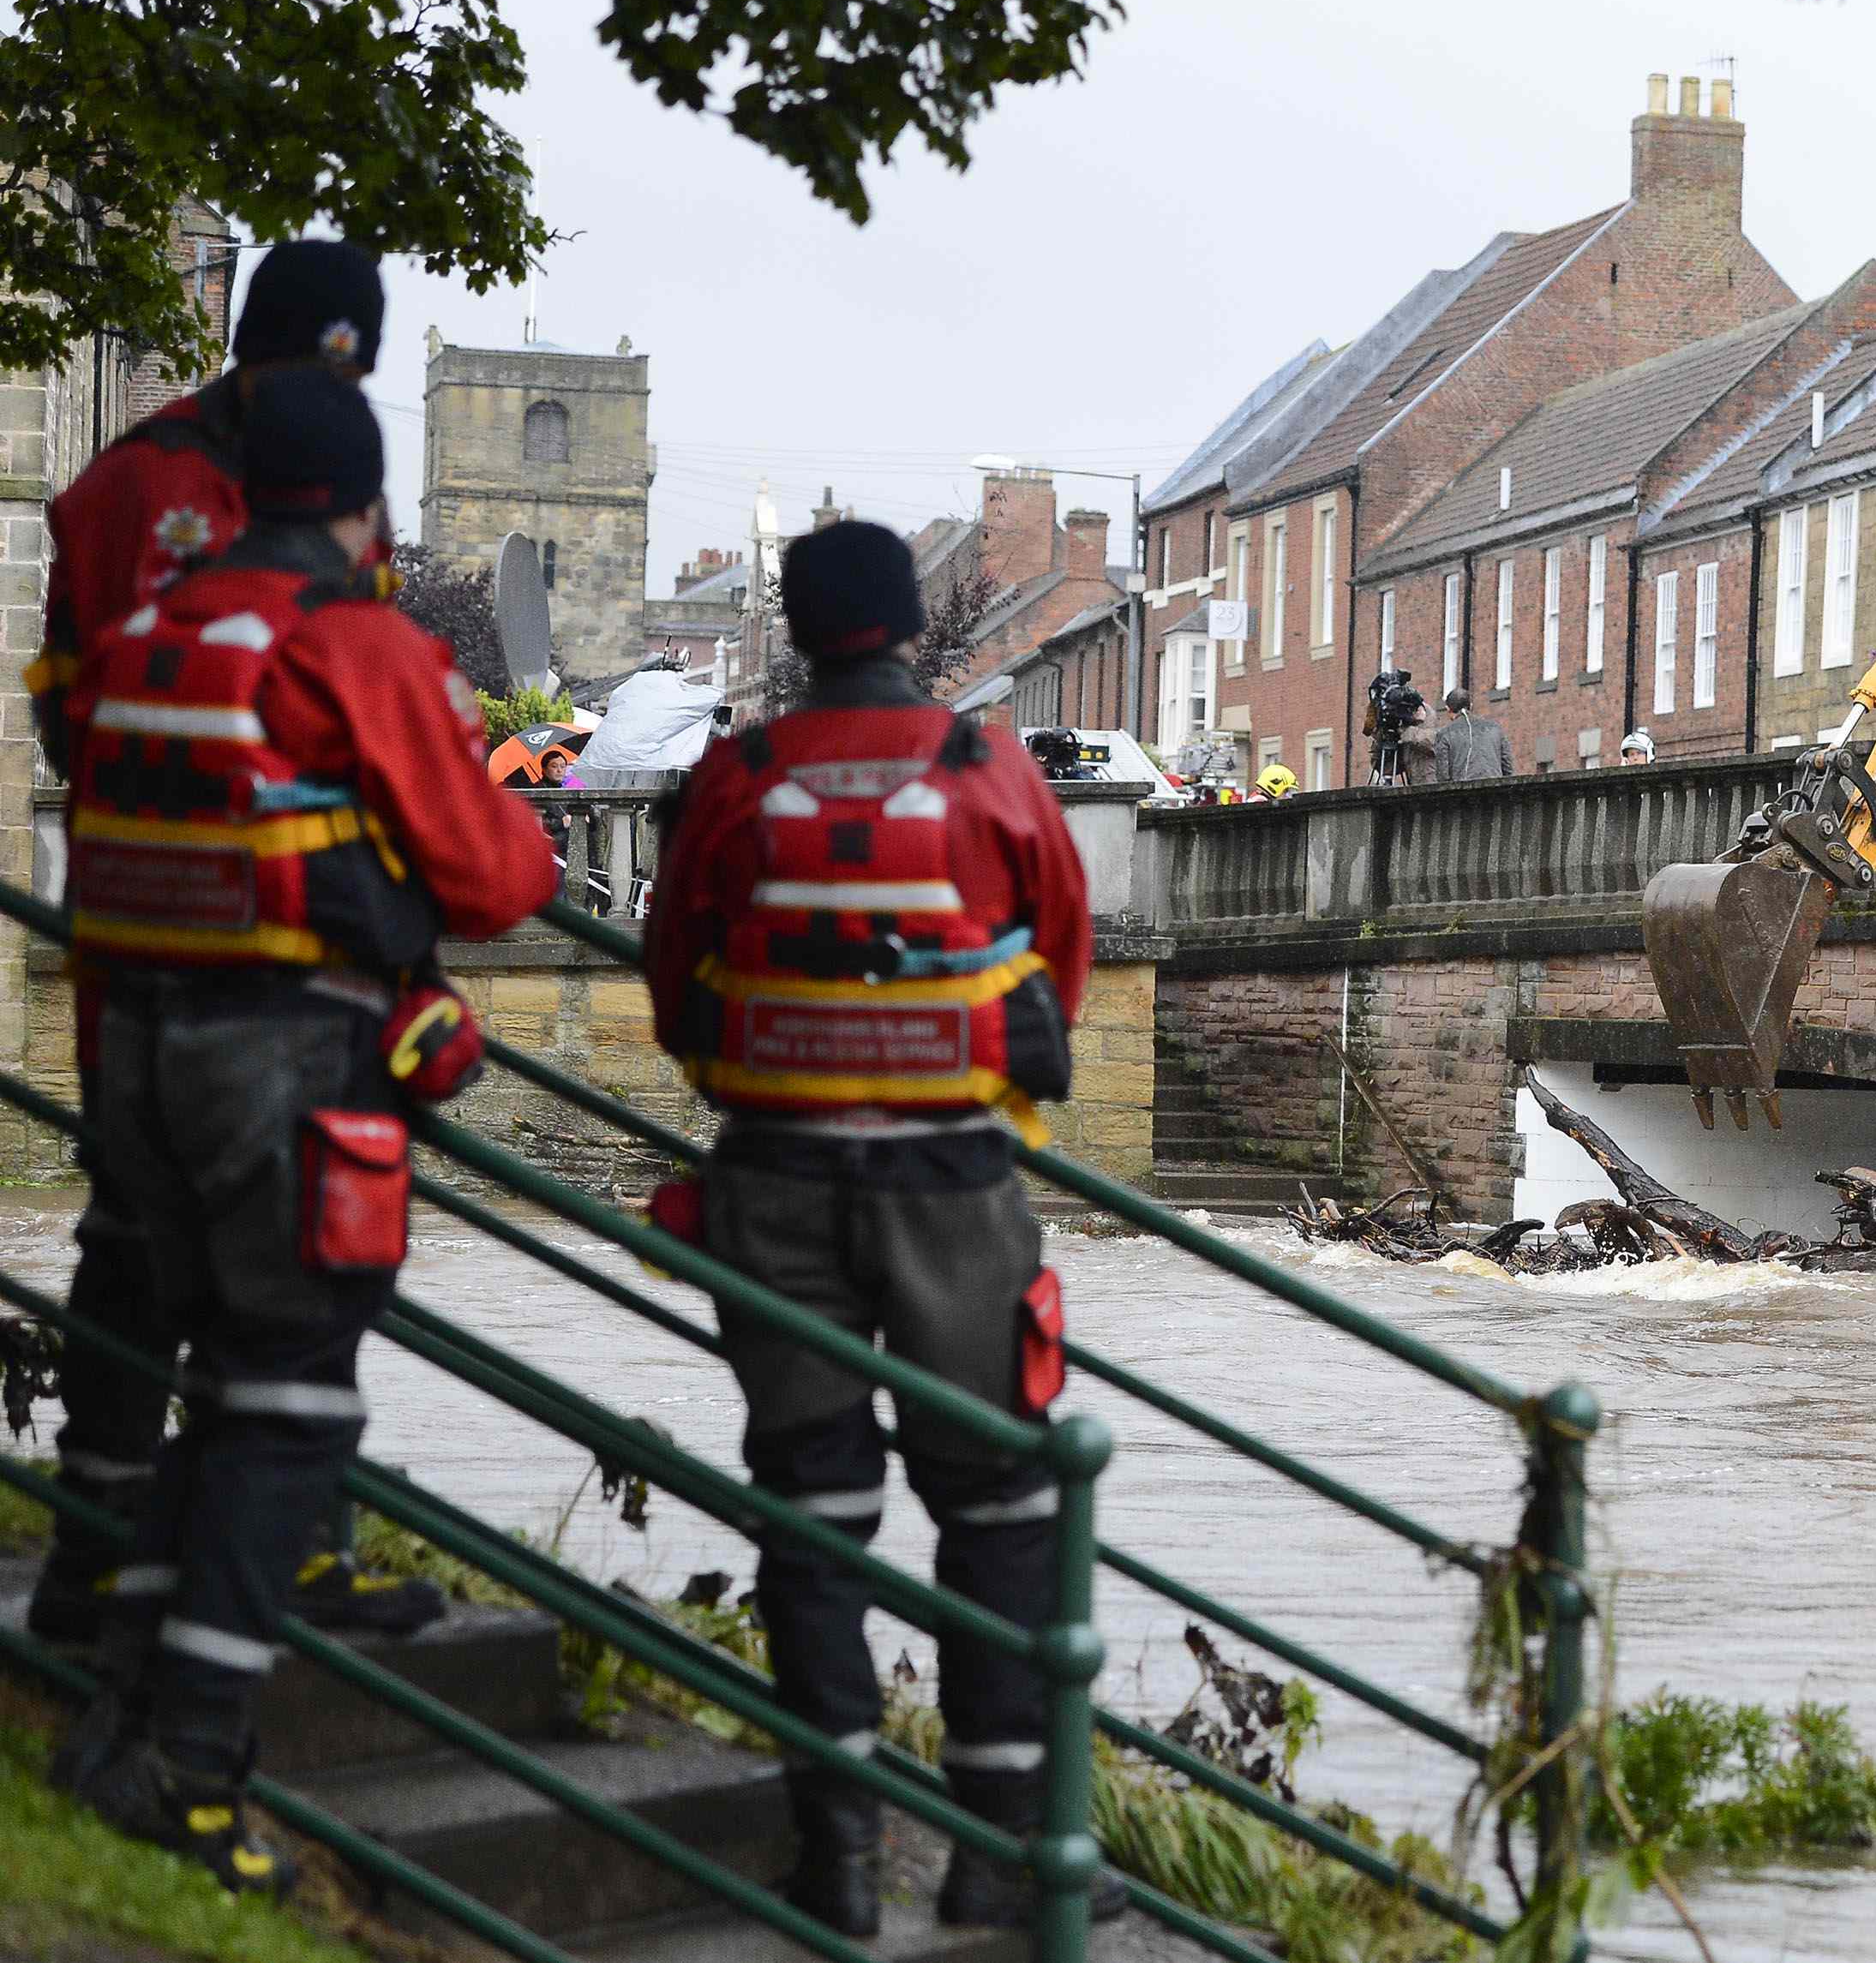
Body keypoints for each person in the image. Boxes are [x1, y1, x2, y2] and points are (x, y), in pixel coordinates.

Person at [54, 365, 560, 1891]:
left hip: (133, 1052)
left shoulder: (150, 631)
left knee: (216, 1390)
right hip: (280, 1065)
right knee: (285, 1410)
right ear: (361, 506)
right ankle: (192, 1771)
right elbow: (493, 877)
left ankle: (114, 1715)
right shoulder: (351, 643)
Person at [642, 520, 1123, 1937]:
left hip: (775, 1182)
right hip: (955, 1191)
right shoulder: (990, 771)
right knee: (996, 1512)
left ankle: (839, 1854)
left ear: (797, 630)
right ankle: (991, 1850)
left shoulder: (736, 776)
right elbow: (1063, 960)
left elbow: (678, 979)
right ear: (910, 627)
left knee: (816, 1514)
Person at [25, 240, 441, 1649]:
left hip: (282, 952)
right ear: (249, 349)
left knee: (280, 1261)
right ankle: (101, 1552)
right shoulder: (130, 489)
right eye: (308, 366)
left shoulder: (328, 490)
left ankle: (287, 1552)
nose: (322, 396)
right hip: (173, 942)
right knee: (144, 1251)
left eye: (347, 374)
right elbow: (72, 707)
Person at [1433, 687, 1512, 781]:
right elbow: (1507, 767)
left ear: (1448, 709)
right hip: (1494, 789)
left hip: (1462, 792)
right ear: (1471, 706)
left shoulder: (1445, 734)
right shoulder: (1495, 728)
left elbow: (1443, 775)